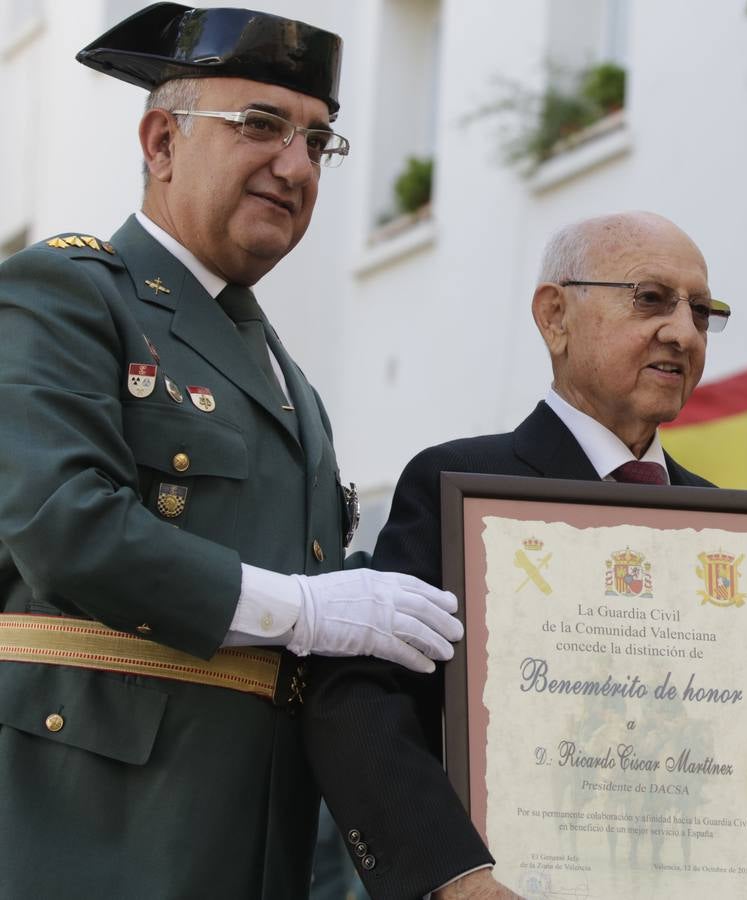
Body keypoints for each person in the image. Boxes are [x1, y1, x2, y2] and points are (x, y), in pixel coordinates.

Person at [0, 5, 464, 897]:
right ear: (162, 141)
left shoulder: (295, 386)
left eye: (319, 142)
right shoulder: (64, 294)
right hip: (86, 840)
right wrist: (304, 608)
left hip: (258, 855)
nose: (294, 166)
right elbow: (66, 528)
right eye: (260, 126)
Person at [303, 211, 722, 899]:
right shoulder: (460, 491)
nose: (683, 332)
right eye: (651, 299)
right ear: (555, 315)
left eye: (703, 312)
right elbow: (359, 695)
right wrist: (453, 874)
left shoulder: (729, 533)